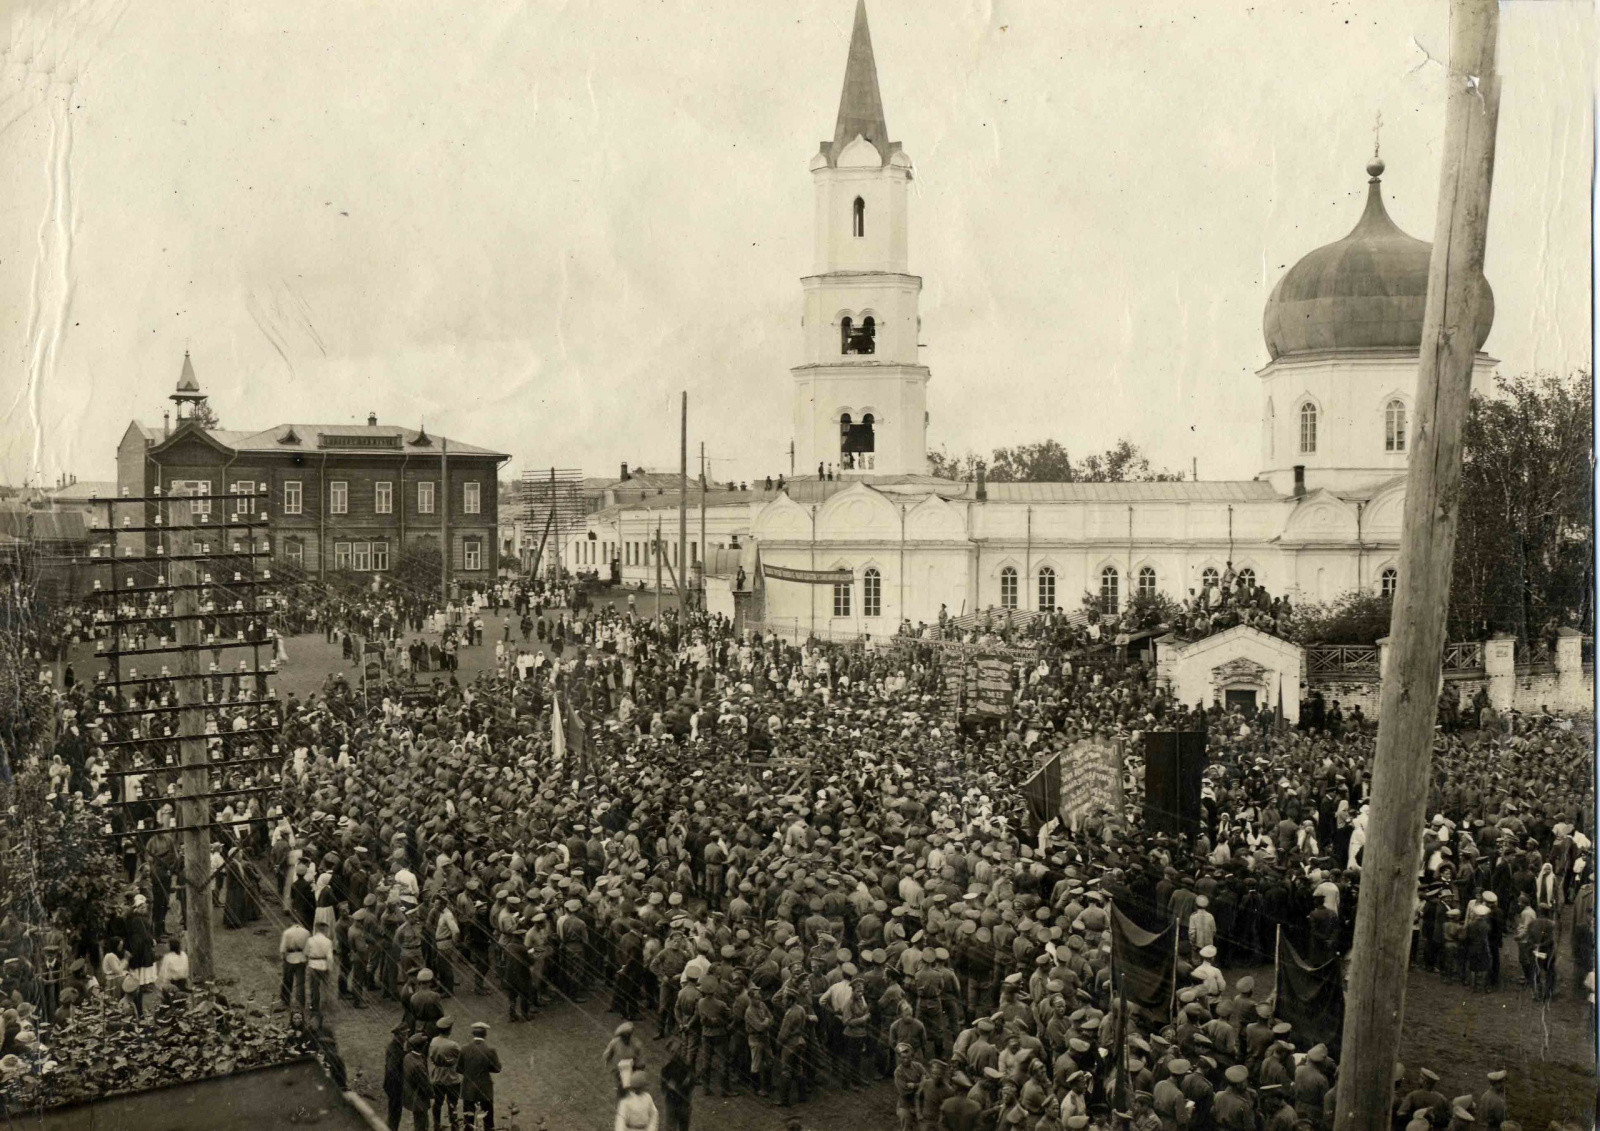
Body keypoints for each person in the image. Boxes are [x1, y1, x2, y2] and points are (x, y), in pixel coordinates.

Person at [460, 1021, 501, 1131]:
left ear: (473, 1034)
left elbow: (458, 1068)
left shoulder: (464, 1049)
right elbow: (497, 1068)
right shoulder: (490, 1050)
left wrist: (470, 1070)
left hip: (468, 1088)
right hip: (485, 1088)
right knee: (488, 1121)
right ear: (485, 1035)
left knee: (468, 1121)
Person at [429, 1015, 463, 1131]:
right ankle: (454, 1125)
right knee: (452, 1103)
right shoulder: (453, 1045)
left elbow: (432, 1058)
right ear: (449, 1030)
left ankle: (436, 1124)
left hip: (437, 1076)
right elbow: (461, 1057)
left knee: (437, 1103)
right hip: (451, 1077)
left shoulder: (433, 1041)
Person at [660, 1044, 696, 1131]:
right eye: (672, 1052)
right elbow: (663, 1088)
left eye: (677, 1051)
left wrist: (690, 1101)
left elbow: (691, 1085)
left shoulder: (686, 1067)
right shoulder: (666, 1069)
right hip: (671, 1103)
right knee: (670, 1127)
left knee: (684, 1126)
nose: (675, 1054)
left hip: (684, 1102)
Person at [402, 1031, 433, 1130]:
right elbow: (425, 1084)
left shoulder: (408, 1057)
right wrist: (432, 1094)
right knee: (422, 1125)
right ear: (423, 1047)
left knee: (418, 1122)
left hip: (411, 1095)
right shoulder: (418, 1065)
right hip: (419, 1099)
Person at [280, 920, 310, 1012]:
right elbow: (308, 948)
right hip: (301, 958)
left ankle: (285, 1000)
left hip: (290, 957)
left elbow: (283, 948)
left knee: (287, 980)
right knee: (300, 983)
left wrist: (284, 958)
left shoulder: (287, 932)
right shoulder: (306, 932)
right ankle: (300, 1003)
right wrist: (306, 958)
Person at [384, 1023, 408, 1131]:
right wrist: (401, 1082)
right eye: (405, 1034)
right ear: (399, 1035)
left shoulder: (396, 1046)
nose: (406, 1037)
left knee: (394, 1112)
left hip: (393, 1085)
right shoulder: (394, 1049)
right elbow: (392, 1069)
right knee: (394, 1113)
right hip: (394, 1087)